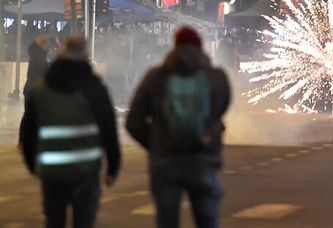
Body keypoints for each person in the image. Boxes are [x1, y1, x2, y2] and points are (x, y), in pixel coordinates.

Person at [126, 27, 231, 228]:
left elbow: (133, 122)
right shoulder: (216, 78)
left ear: (174, 47)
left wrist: (156, 143)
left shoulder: (155, 77)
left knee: (167, 220)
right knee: (207, 219)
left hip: (165, 159)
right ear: (200, 47)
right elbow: (221, 111)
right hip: (203, 158)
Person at [20, 36, 121, 228]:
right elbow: (109, 128)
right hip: (86, 171)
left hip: (52, 171)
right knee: (83, 221)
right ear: (85, 56)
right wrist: (113, 166)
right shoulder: (95, 88)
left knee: (54, 221)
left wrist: (32, 163)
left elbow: (29, 130)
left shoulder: (42, 89)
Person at [24, 35, 50, 99]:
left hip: (30, 89)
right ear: (42, 45)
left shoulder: (35, 56)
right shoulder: (40, 58)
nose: (49, 46)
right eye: (47, 43)